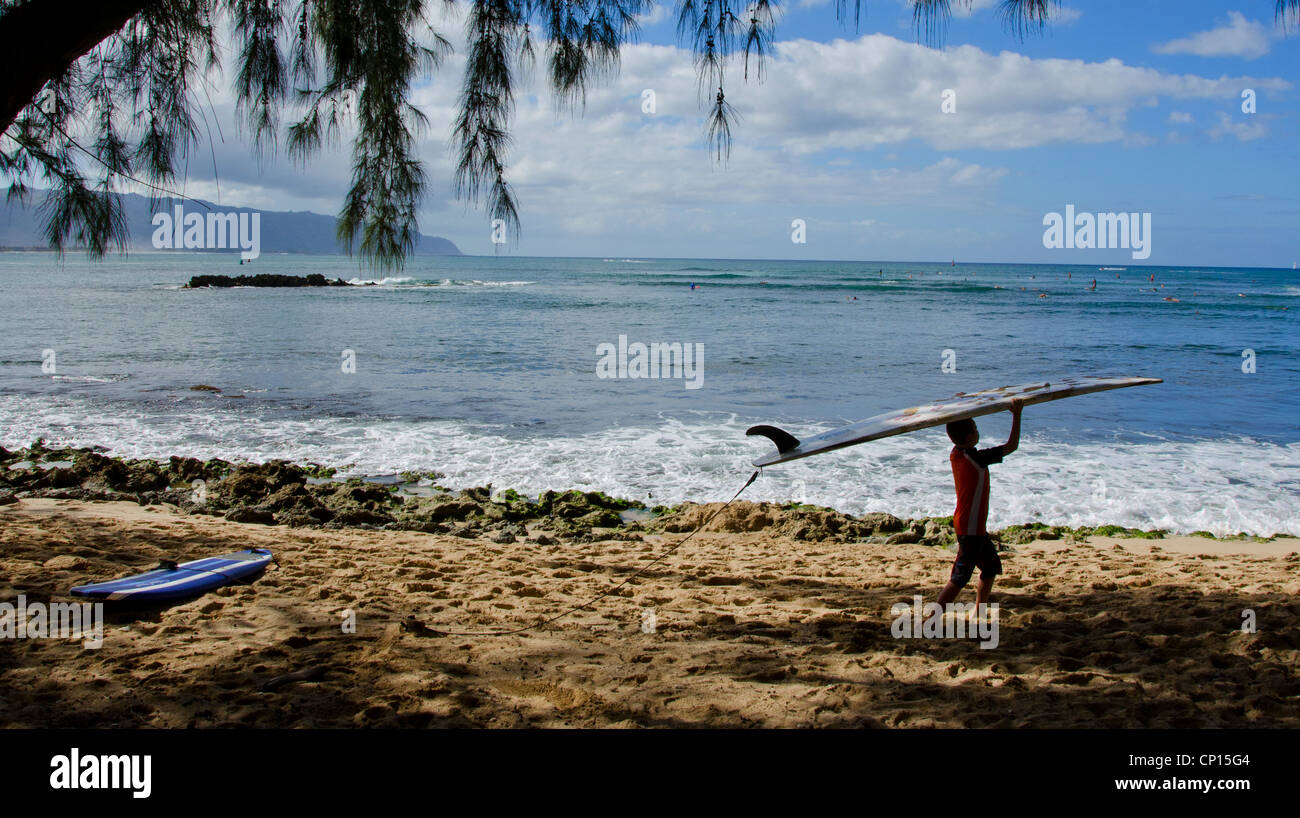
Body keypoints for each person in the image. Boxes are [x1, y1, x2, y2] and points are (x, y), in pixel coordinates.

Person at [935, 400, 1023, 612]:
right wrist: (1017, 414)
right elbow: (1011, 446)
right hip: (971, 528)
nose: (977, 431)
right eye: (975, 428)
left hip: (970, 524)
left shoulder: (956, 453)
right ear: (968, 437)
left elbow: (956, 430)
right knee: (959, 577)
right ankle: (932, 619)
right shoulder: (976, 458)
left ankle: (979, 610)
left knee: (991, 566)